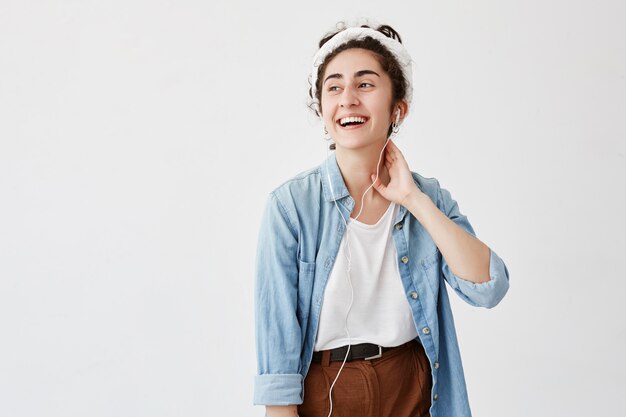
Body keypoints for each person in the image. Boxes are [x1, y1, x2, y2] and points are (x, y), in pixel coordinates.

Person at [253, 21, 510, 417]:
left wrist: (413, 199)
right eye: (334, 87)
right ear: (322, 110)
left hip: (412, 387)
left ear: (397, 109)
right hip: (327, 394)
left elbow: (488, 288)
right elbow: (277, 353)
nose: (348, 99)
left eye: (365, 84)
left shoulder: (429, 196)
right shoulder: (290, 207)